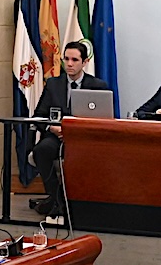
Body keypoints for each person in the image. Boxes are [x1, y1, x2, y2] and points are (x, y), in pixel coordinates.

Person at [30, 41, 110, 218]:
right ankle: (55, 197)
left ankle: (66, 202)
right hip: (57, 136)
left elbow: (104, 120)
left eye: (74, 59)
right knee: (41, 150)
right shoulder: (53, 84)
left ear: (85, 62)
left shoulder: (98, 85)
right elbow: (40, 114)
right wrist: (52, 127)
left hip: (84, 140)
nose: (70, 64)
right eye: (66, 59)